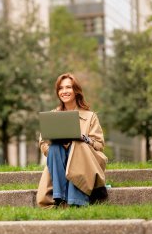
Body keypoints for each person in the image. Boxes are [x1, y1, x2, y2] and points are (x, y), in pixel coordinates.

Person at [37, 73, 108, 208]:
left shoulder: (90, 116)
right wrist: (60, 147)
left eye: (68, 87)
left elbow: (99, 146)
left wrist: (84, 139)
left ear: (76, 90)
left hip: (85, 162)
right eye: (61, 88)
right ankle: (60, 197)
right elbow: (43, 144)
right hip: (59, 161)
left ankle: (76, 200)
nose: (64, 91)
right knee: (55, 147)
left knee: (78, 144)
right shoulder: (52, 116)